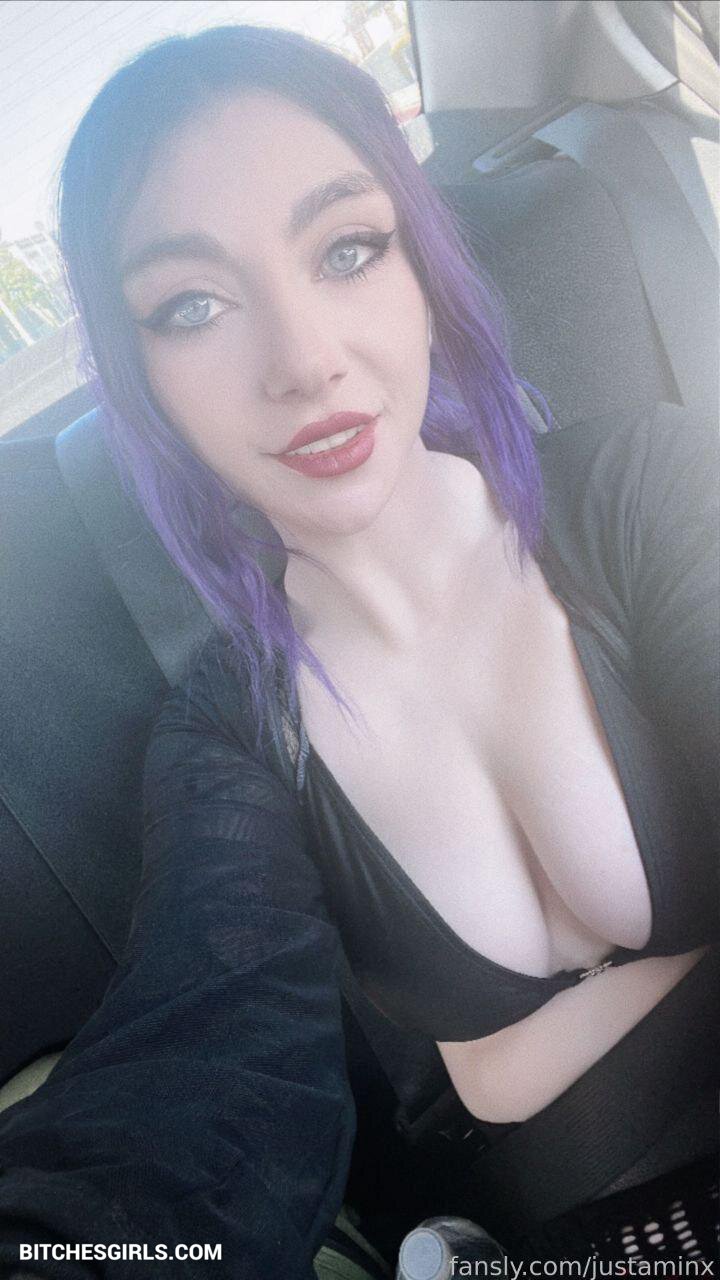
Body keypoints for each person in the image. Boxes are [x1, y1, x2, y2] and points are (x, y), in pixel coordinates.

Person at [0, 23, 717, 1278]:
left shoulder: (649, 489)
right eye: (193, 305)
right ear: (143, 380)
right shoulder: (232, 732)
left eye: (346, 248)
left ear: (419, 264)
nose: (304, 360)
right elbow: (202, 1082)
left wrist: (507, 1062)